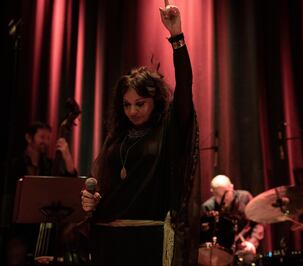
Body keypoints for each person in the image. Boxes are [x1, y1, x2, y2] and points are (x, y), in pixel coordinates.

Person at [80, 1, 199, 265]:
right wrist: (92, 200)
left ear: (155, 101)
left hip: (148, 242)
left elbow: (185, 85)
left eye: (140, 104)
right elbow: (107, 184)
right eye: (126, 105)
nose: (132, 111)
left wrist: (176, 35)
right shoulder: (118, 136)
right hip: (108, 240)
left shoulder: (168, 127)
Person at [5, 121, 78, 266]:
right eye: (42, 137)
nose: (46, 141)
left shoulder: (50, 165)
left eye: (48, 138)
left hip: (44, 229)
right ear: (29, 138)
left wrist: (67, 155)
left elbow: (71, 182)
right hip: (21, 230)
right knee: (16, 255)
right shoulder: (15, 164)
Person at [200, 174, 264, 264]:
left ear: (232, 187)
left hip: (245, 250)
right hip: (220, 254)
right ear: (212, 192)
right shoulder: (208, 207)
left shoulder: (245, 198)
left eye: (226, 193)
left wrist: (252, 242)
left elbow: (258, 223)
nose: (224, 198)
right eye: (218, 195)